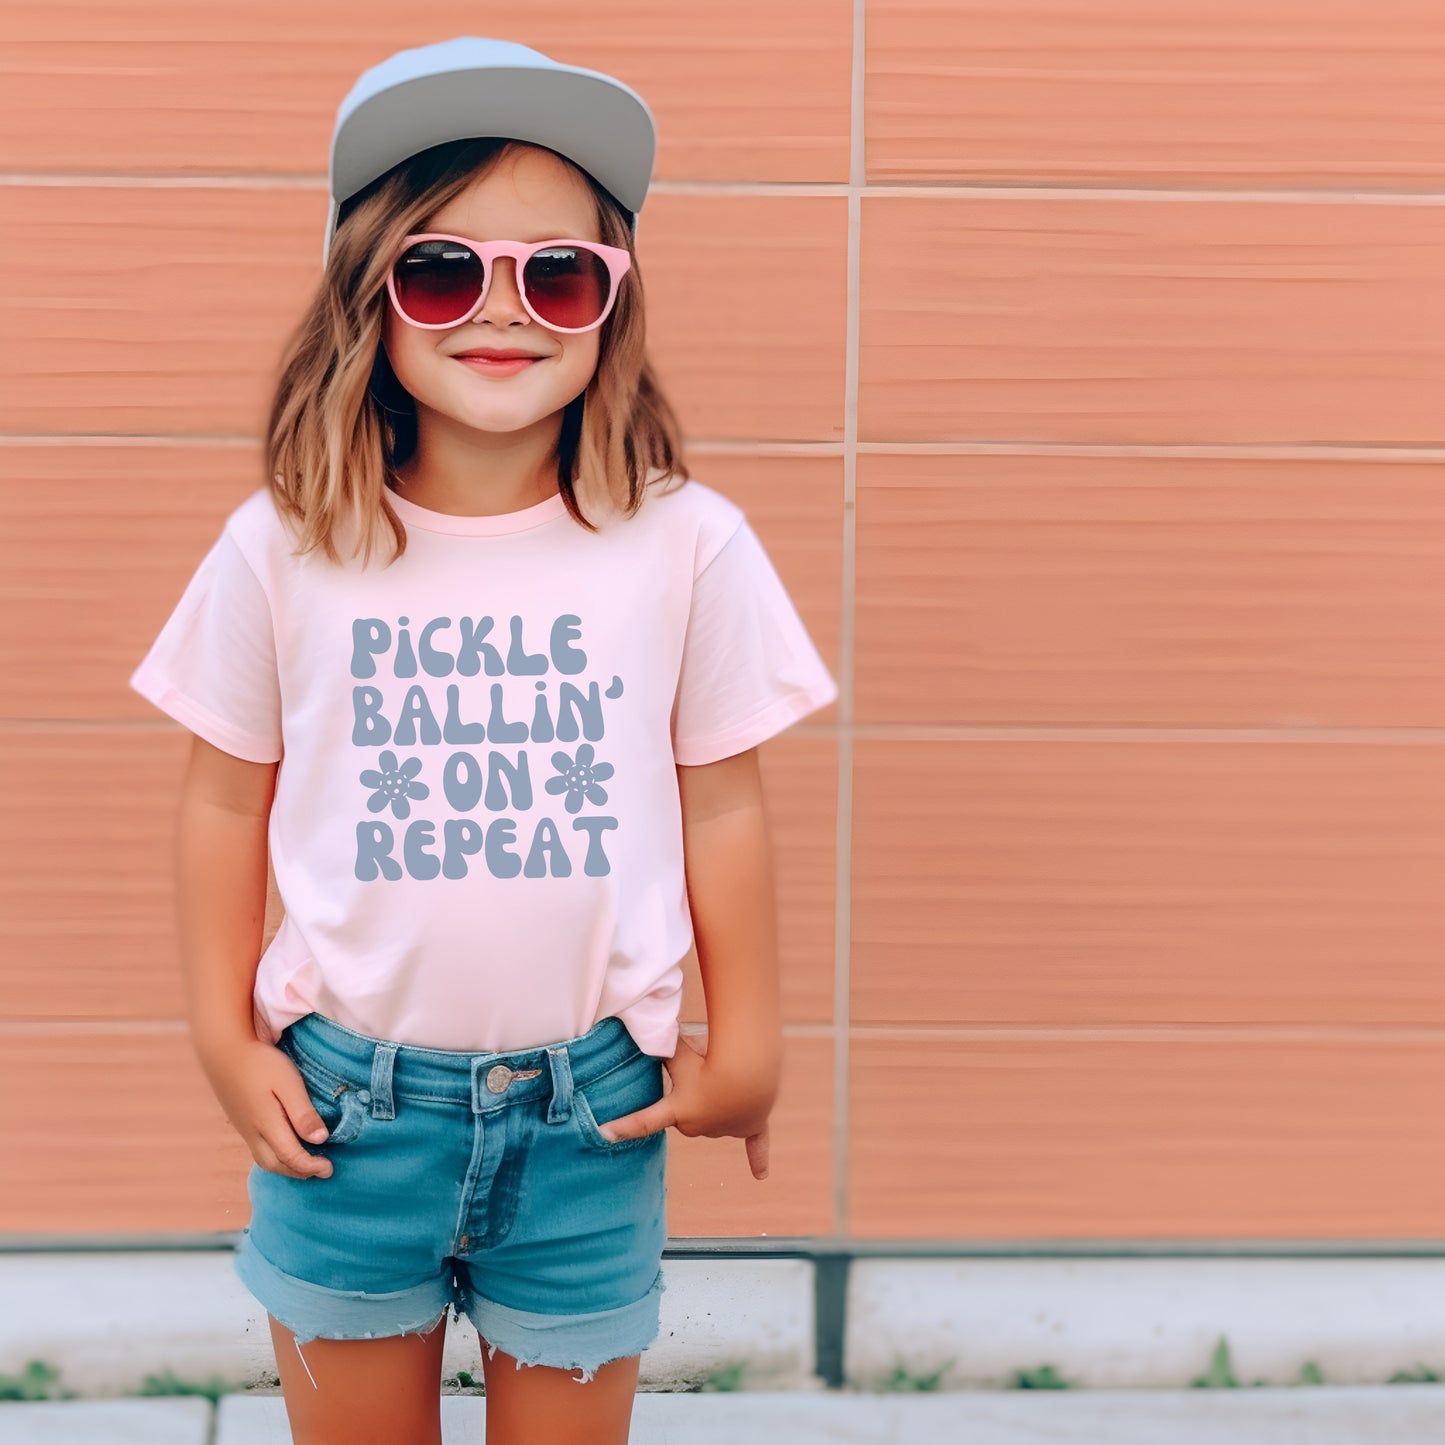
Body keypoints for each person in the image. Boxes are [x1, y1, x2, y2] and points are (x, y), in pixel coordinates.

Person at [128, 35, 838, 1445]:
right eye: (443, 270)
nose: (499, 313)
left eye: (556, 275)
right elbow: (223, 804)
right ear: (370, 298)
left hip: (592, 1110)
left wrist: (750, 1035)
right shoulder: (285, 544)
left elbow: (725, 807)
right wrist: (220, 1031)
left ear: (607, 306)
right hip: (346, 1109)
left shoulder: (683, 542)